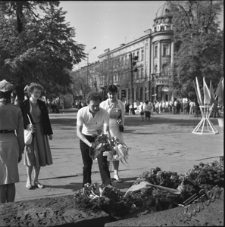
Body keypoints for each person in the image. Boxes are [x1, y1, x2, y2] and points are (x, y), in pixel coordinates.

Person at [21, 83, 53, 189]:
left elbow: (46, 119)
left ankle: (36, 180)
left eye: (39, 92)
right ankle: (28, 180)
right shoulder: (24, 104)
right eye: (35, 92)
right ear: (30, 92)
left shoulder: (42, 103)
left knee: (39, 156)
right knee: (30, 156)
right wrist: (27, 125)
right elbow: (20, 119)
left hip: (41, 132)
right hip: (30, 132)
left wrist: (49, 133)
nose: (37, 94)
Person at [77, 92, 111, 187]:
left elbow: (106, 129)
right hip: (85, 137)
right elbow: (78, 132)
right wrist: (89, 144)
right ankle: (86, 186)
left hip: (99, 137)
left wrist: (103, 139)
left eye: (98, 105)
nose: (96, 108)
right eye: (93, 106)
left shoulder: (104, 113)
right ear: (87, 103)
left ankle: (108, 186)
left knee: (103, 163)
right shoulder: (81, 112)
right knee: (87, 165)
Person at [0, 80, 24, 203]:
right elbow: (20, 133)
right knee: (11, 178)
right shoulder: (16, 109)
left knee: (0, 180)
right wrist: (21, 149)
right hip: (12, 141)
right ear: (10, 93)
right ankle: (11, 208)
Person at [100, 85, 125, 183]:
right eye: (110, 94)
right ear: (107, 94)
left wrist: (122, 125)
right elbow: (100, 117)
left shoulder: (120, 104)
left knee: (117, 151)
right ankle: (107, 175)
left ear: (116, 94)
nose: (111, 96)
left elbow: (122, 116)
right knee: (106, 153)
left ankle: (116, 173)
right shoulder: (103, 104)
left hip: (116, 129)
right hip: (105, 129)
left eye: (113, 94)